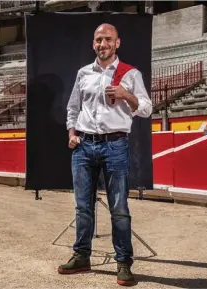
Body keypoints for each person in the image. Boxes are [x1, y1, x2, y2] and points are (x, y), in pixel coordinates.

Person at [58, 23, 152, 286]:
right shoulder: (83, 73)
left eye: (108, 39)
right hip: (84, 146)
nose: (103, 44)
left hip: (115, 145)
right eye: (99, 40)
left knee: (119, 209)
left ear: (117, 43)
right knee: (83, 207)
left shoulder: (130, 74)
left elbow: (145, 108)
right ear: (93, 44)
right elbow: (72, 107)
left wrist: (126, 94)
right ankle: (82, 256)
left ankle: (123, 263)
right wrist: (71, 133)